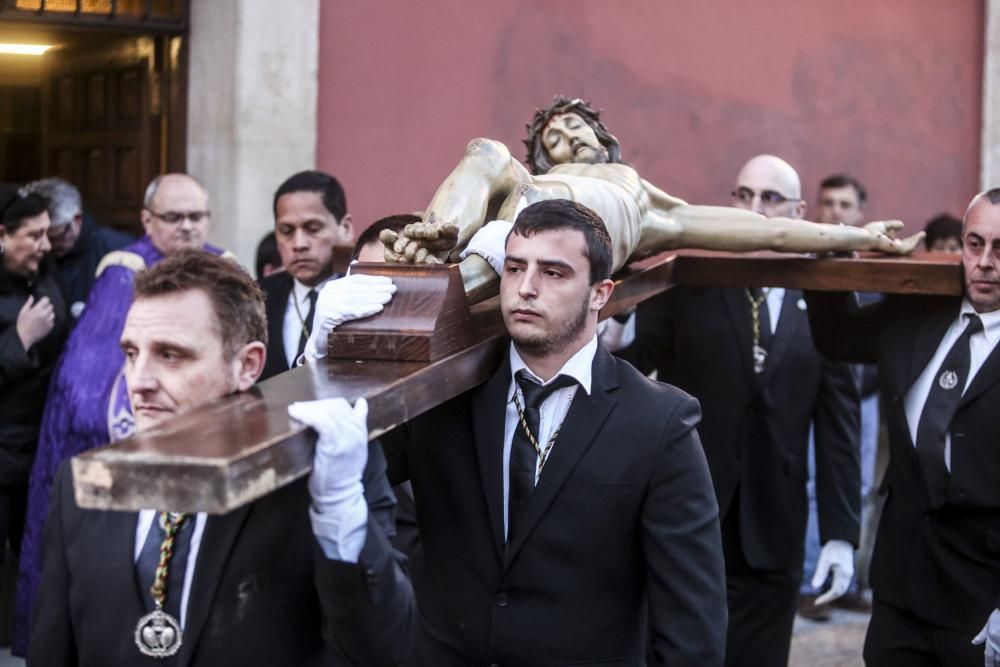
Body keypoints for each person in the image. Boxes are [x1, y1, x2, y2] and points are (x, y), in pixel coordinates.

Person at [298, 199, 728, 664]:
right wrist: (325, 362)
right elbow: (342, 460)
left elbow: (692, 622)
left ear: (600, 293)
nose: (525, 288)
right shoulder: (443, 396)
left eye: (553, 273)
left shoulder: (660, 422)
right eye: (515, 268)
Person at [29, 250, 412, 665]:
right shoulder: (82, 485)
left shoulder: (311, 478)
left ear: (246, 366)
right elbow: (53, 650)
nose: (138, 382)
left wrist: (339, 510)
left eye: (170, 354)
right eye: (131, 353)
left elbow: (385, 650)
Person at [618, 154, 861, 666]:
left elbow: (838, 426)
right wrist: (613, 328)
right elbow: (634, 364)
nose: (754, 209)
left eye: (770, 199)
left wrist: (841, 533)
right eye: (743, 196)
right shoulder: (691, 279)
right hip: (687, 512)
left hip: (776, 524)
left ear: (798, 212)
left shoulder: (824, 298)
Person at [379, 96, 921, 298]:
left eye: (574, 128)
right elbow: (492, 169)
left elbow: (769, 229)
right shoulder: (527, 175)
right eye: (554, 140)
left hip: (560, 243)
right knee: (488, 151)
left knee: (440, 300)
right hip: (511, 217)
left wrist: (858, 235)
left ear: (600, 133)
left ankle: (431, 274)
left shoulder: (643, 197)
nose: (568, 139)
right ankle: (436, 239)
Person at [13, 173, 235, 656]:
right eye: (173, 218)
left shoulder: (224, 268)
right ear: (147, 220)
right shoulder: (123, 270)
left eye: (196, 217)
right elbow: (86, 380)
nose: (187, 228)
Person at [806, 188, 1000, 666]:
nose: (986, 263)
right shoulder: (917, 313)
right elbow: (836, 336)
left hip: (981, 601)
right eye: (974, 245)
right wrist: (831, 245)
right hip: (900, 591)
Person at [801, 172, 879, 619]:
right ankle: (812, 580)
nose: (835, 212)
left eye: (845, 205)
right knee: (815, 485)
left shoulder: (872, 270)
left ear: (859, 214)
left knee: (863, 487)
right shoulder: (809, 267)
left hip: (865, 398)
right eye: (828, 203)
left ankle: (845, 573)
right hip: (817, 393)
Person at [0, 184, 67, 592]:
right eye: (33, 235)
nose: (45, 245)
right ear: (2, 235)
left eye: (47, 234)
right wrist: (19, 340)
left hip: (37, 443)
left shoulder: (43, 276)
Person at [259, 170, 354, 381]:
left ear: (345, 228)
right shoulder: (255, 298)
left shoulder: (362, 296)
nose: (299, 244)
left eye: (313, 228)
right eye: (286, 231)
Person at [24, 177, 133, 322]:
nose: (47, 245)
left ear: (77, 219)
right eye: (36, 236)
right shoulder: (27, 253)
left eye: (55, 237)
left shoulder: (119, 251)